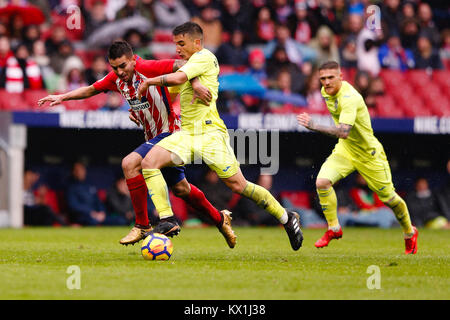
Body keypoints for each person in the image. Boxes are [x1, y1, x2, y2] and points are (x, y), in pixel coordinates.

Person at [38, 40, 236, 248]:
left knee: (129, 163)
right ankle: (220, 219)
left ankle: (143, 224)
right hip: (154, 137)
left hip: (171, 133)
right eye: (114, 67)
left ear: (133, 60)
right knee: (181, 189)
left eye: (123, 66)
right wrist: (62, 97)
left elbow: (183, 66)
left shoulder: (148, 68)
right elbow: (90, 90)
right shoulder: (116, 79)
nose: (119, 72)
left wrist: (195, 83)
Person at [136, 22, 303, 251]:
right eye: (175, 44)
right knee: (149, 163)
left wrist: (149, 81)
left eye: (181, 43)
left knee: (238, 185)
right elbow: (171, 89)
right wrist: (144, 109)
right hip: (187, 133)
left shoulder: (205, 57)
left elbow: (175, 79)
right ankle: (167, 219)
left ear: (197, 42)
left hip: (210, 134)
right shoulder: (189, 66)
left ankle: (286, 217)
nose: (177, 49)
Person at [296, 61, 418, 254]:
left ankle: (410, 232)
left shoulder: (349, 97)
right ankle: (334, 228)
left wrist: (314, 125)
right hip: (346, 149)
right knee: (322, 182)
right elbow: (345, 138)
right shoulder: (324, 92)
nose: (326, 82)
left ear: (341, 77)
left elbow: (344, 131)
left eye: (330, 78)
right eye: (323, 79)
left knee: (390, 199)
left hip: (368, 153)